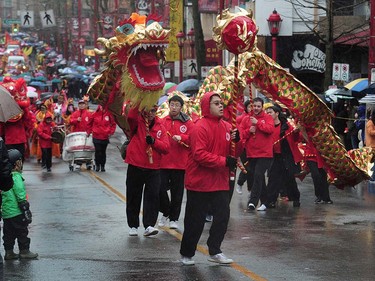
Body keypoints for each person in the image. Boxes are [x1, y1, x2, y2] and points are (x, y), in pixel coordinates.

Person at [180, 92, 242, 266]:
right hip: (199, 183)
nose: (221, 105)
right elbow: (199, 155)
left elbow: (235, 154)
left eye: (221, 103)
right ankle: (187, 253)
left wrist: (239, 141)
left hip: (220, 181)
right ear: (207, 106)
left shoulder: (228, 126)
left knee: (222, 217)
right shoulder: (199, 127)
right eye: (216, 103)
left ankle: (215, 250)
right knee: (195, 221)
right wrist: (224, 161)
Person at [125, 105, 169, 237]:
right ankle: (133, 225)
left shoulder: (161, 126)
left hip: (154, 168)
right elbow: (130, 116)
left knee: (152, 198)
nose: (150, 113)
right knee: (133, 196)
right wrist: (139, 99)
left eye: (153, 111)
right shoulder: (137, 122)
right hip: (135, 165)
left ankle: (149, 225)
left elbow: (166, 148)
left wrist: (154, 142)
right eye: (148, 110)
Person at [158, 95, 193, 230]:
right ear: (169, 105)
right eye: (172, 105)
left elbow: (193, 138)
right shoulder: (162, 121)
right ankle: (166, 211)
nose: (174, 107)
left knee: (177, 193)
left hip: (180, 164)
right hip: (164, 163)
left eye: (177, 105)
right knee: (160, 189)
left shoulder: (187, 123)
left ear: (181, 107)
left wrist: (182, 137)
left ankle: (174, 218)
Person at [1, 149, 38, 260]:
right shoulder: (16, 176)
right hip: (17, 212)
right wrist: (25, 206)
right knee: (22, 232)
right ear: (17, 163)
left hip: (7, 213)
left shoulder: (4, 177)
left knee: (8, 234)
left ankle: (9, 252)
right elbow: (20, 192)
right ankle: (24, 251)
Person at [265, 105, 303, 209]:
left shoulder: (286, 125)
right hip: (274, 156)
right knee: (273, 178)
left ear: (277, 113)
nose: (268, 114)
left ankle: (295, 198)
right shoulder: (267, 126)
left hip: (286, 155)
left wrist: (296, 132)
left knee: (289, 178)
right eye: (267, 113)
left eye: (270, 112)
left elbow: (296, 139)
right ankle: (271, 200)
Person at [239, 97, 274, 210]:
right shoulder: (246, 119)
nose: (256, 108)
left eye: (259, 106)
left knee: (259, 175)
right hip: (252, 153)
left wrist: (257, 123)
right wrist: (249, 131)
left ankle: (252, 201)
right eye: (254, 106)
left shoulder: (267, 117)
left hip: (265, 153)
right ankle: (265, 202)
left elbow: (270, 130)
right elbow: (242, 135)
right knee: (257, 177)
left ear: (262, 107)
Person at [86, 105, 116, 172]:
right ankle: (97, 165)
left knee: (103, 151)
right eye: (101, 106)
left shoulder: (109, 114)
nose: (102, 108)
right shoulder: (94, 114)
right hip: (96, 136)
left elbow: (113, 124)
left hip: (105, 136)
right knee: (98, 151)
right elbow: (89, 124)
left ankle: (102, 165)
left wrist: (111, 132)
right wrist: (88, 132)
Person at [69, 100, 93, 169]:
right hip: (77, 134)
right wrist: (76, 120)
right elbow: (70, 121)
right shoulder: (75, 113)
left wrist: (89, 132)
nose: (81, 105)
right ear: (78, 105)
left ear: (85, 105)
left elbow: (91, 124)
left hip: (86, 135)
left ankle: (88, 162)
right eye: (80, 104)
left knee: (87, 148)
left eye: (83, 104)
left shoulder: (89, 114)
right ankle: (77, 162)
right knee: (78, 148)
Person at [236, 99, 251, 194]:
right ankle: (240, 183)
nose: (252, 108)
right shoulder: (242, 118)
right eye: (250, 106)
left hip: (255, 148)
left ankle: (250, 189)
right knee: (248, 167)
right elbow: (241, 133)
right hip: (244, 147)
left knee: (253, 170)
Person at [365, 111, 375, 181]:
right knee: (372, 163)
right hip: (371, 147)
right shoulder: (370, 123)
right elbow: (371, 132)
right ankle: (372, 178)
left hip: (373, 146)